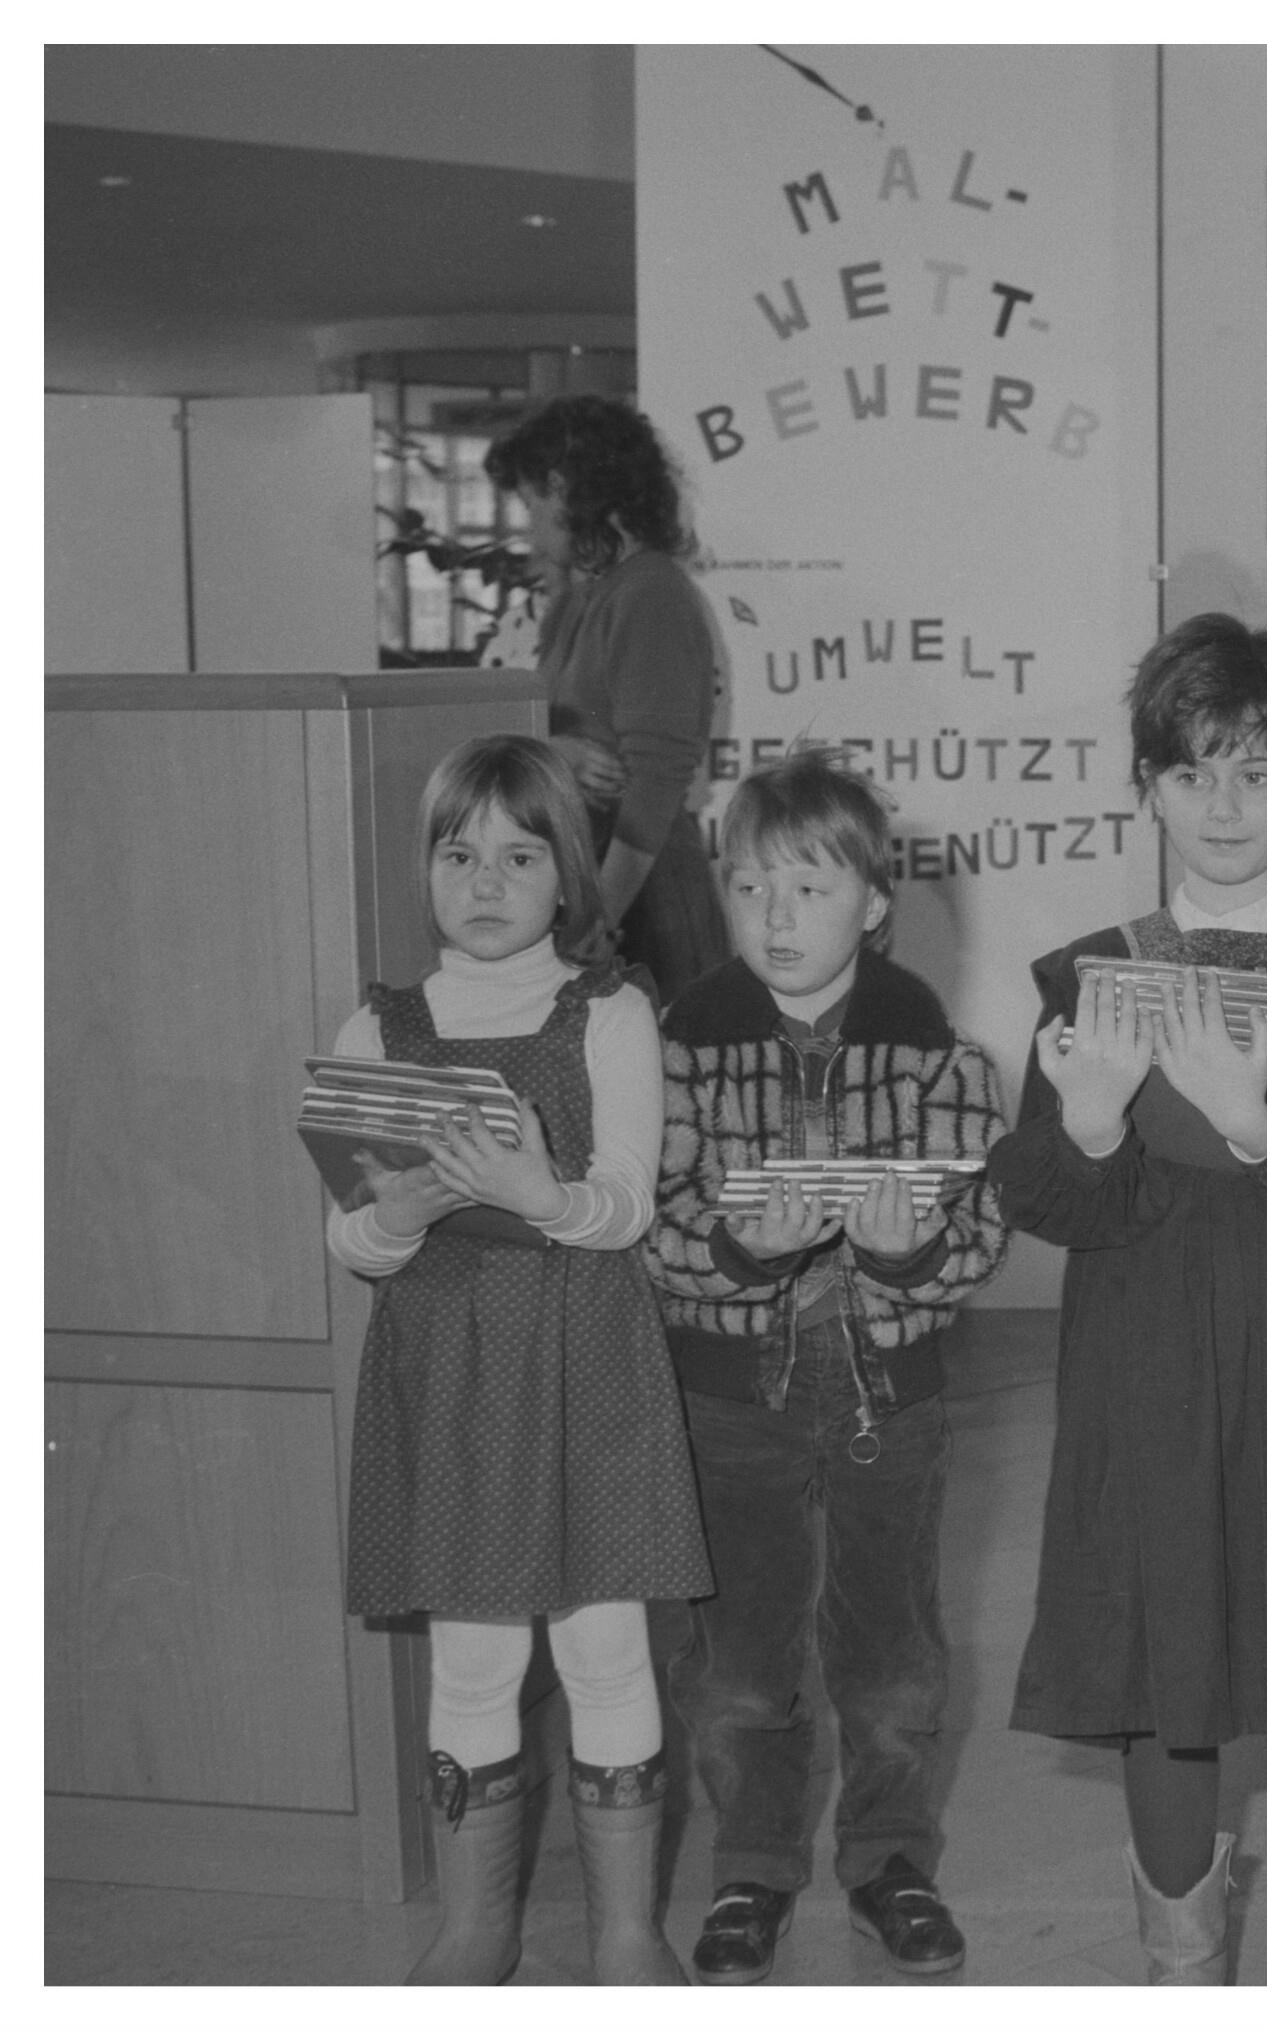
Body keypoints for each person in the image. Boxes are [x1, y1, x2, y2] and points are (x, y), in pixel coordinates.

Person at [992, 614, 1267, 1986]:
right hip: (1146, 1359)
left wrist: (1257, 1123)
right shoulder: (1088, 972)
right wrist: (1085, 1126)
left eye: (1257, 772)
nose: (1226, 805)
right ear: (1148, 788)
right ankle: (1182, 1973)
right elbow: (1047, 1196)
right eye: (1193, 772)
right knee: (1162, 1664)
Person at [324, 733, 710, 1985]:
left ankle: (627, 1930)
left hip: (584, 1352)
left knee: (605, 1643)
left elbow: (626, 1205)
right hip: (447, 1364)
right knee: (475, 1655)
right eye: (458, 854)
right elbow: (352, 1237)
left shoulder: (611, 1010)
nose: (484, 881)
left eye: (520, 856)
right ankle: (474, 1923)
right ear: (426, 870)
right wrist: (398, 1214)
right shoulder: (378, 1025)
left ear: (569, 878)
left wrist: (543, 1192)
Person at [641, 751, 1011, 1982]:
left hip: (884, 1395)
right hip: (727, 1397)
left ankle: (891, 1855)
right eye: (750, 888)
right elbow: (650, 1221)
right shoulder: (680, 1047)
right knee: (737, 1659)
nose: (776, 917)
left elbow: (979, 1233)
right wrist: (738, 1246)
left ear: (875, 902)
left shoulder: (942, 1055)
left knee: (892, 1651)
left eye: (809, 888)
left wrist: (913, 1257)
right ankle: (751, 1863)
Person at [485, 395, 732, 1003]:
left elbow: (656, 781)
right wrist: (555, 752)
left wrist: (598, 915)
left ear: (564, 488)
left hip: (638, 889)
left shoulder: (651, 595)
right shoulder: (583, 599)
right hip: (596, 875)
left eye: (531, 504)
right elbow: (550, 735)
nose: (529, 527)